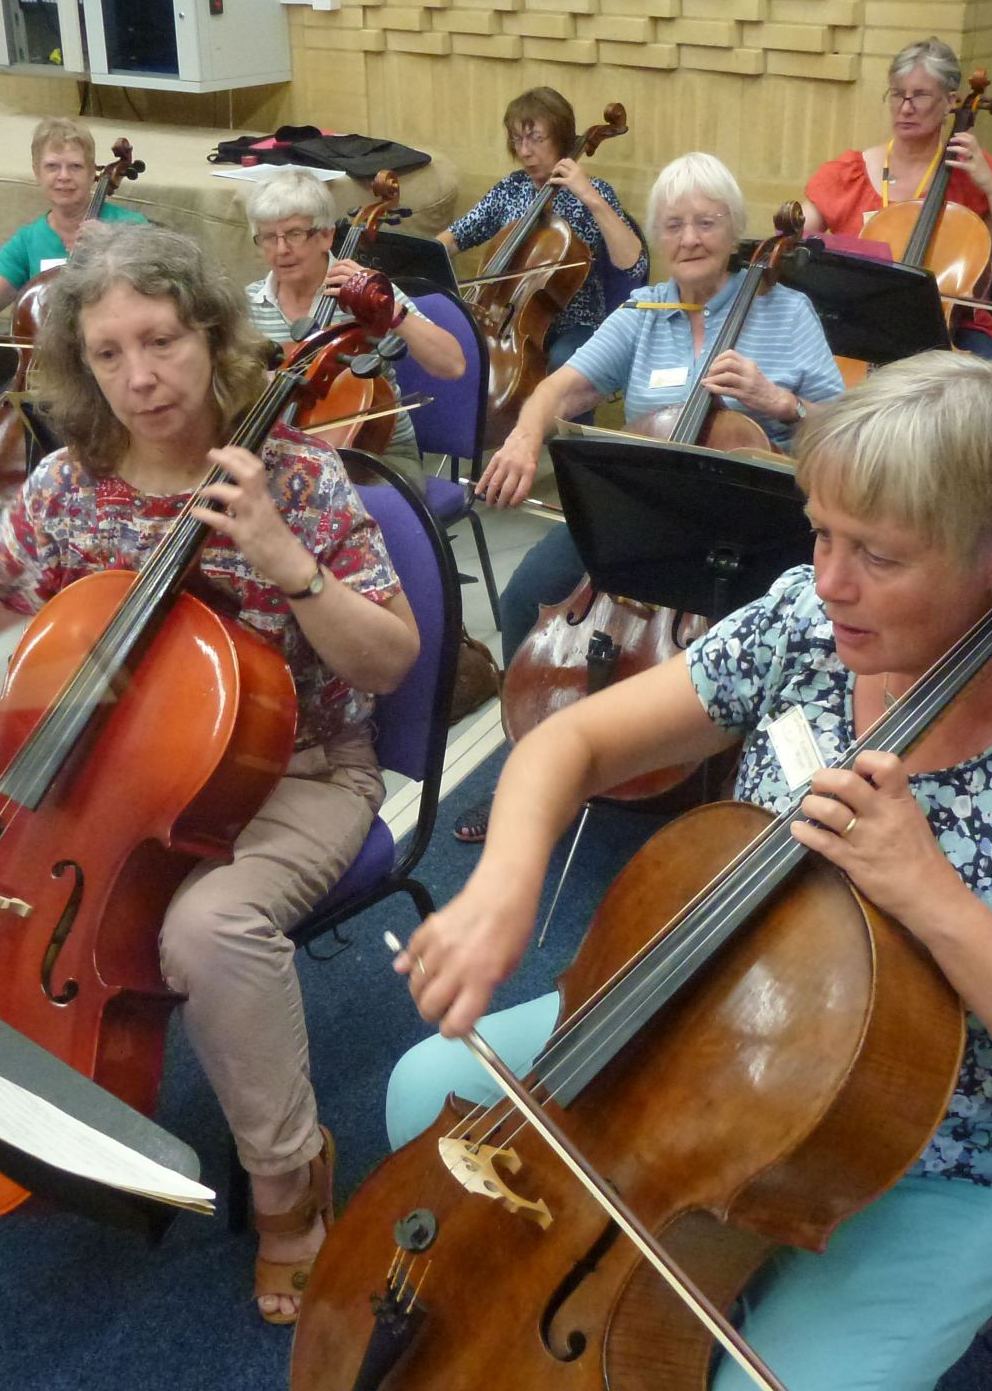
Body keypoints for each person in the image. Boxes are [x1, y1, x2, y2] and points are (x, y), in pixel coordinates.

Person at [386, 350, 992, 1391]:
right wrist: (504, 882)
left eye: (881, 556)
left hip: (930, 1146)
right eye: (819, 529)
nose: (831, 579)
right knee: (428, 1095)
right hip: (713, 1021)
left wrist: (930, 891)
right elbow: (572, 743)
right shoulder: (806, 624)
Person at [0, 222, 420, 1325]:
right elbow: (11, 615)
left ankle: (290, 1182)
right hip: (103, 782)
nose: (139, 377)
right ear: (76, 365)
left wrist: (290, 563)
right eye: (107, 353)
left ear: (212, 336)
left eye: (163, 341)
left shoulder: (300, 477)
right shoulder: (62, 489)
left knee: (205, 930)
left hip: (301, 772)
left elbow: (391, 657)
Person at [451, 151, 843, 843]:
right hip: (640, 516)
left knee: (767, 640)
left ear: (735, 231)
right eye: (674, 224)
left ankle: (730, 793)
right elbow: (560, 387)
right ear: (658, 235)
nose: (690, 237)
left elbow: (845, 430)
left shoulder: (789, 310)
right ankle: (533, 770)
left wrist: (780, 401)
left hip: (749, 526)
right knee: (523, 597)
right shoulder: (645, 309)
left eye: (707, 222)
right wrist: (522, 439)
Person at [245, 167, 465, 495]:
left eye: (293, 234)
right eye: (267, 237)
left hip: (375, 461)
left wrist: (389, 309)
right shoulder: (249, 304)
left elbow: (452, 364)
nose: (280, 250)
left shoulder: (367, 293)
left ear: (326, 235)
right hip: (280, 459)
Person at [802, 36, 992, 358]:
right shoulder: (849, 173)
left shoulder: (973, 174)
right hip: (859, 323)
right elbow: (796, 233)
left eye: (920, 96)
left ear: (950, 101)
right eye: (898, 94)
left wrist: (991, 186)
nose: (905, 107)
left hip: (953, 332)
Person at [436, 86, 647, 372]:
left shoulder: (594, 191)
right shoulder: (511, 189)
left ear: (560, 138)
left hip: (575, 325)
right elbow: (454, 237)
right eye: (517, 140)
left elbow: (633, 264)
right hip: (506, 322)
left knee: (564, 364)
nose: (524, 151)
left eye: (536, 139)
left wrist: (590, 197)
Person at [0, 117, 147, 311]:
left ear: (91, 172)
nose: (64, 177)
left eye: (75, 166)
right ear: (37, 173)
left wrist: (114, 245)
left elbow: (160, 290)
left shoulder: (132, 226)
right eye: (52, 166)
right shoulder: (27, 242)